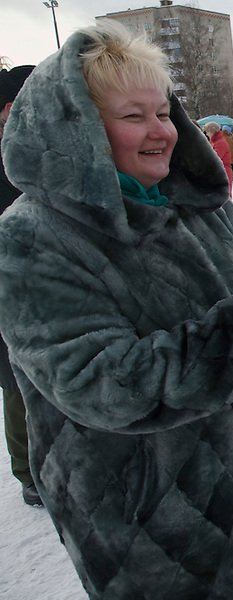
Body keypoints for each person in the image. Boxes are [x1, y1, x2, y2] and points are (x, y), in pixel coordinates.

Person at [0, 20, 233, 599]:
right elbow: (99, 384)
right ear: (77, 130)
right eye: (134, 117)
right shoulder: (31, 238)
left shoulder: (194, 203)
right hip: (140, 518)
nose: (161, 131)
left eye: (163, 113)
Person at [0, 64, 42, 508]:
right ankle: (28, 470)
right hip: (10, 290)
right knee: (17, 380)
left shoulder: (36, 151)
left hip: (46, 283)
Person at [203, 121, 233, 195]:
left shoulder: (220, 143)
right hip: (218, 171)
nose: (206, 134)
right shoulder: (215, 141)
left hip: (223, 171)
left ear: (212, 131)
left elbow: (215, 158)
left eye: (207, 132)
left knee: (224, 195)